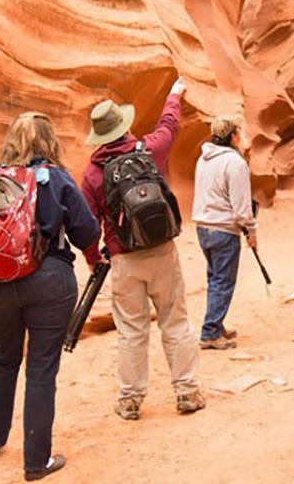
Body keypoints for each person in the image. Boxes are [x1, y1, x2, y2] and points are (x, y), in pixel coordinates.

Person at [0, 112, 98, 481]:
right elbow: (85, 231)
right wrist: (92, 259)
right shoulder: (55, 179)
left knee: (3, 358)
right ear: (48, 141)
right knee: (41, 368)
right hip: (50, 282)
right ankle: (35, 463)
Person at [80, 77, 204, 421]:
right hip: (162, 251)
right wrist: (174, 95)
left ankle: (131, 400)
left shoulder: (91, 174)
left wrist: (94, 259)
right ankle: (187, 392)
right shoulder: (149, 150)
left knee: (132, 331)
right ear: (123, 126)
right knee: (175, 322)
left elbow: (88, 225)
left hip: (123, 259)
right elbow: (169, 125)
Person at [192, 116, 258, 350]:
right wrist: (251, 230)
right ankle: (210, 333)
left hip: (203, 227)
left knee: (215, 278)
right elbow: (241, 206)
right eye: (238, 133)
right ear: (232, 136)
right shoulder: (235, 163)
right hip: (223, 229)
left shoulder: (204, 158)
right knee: (223, 281)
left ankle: (215, 324)